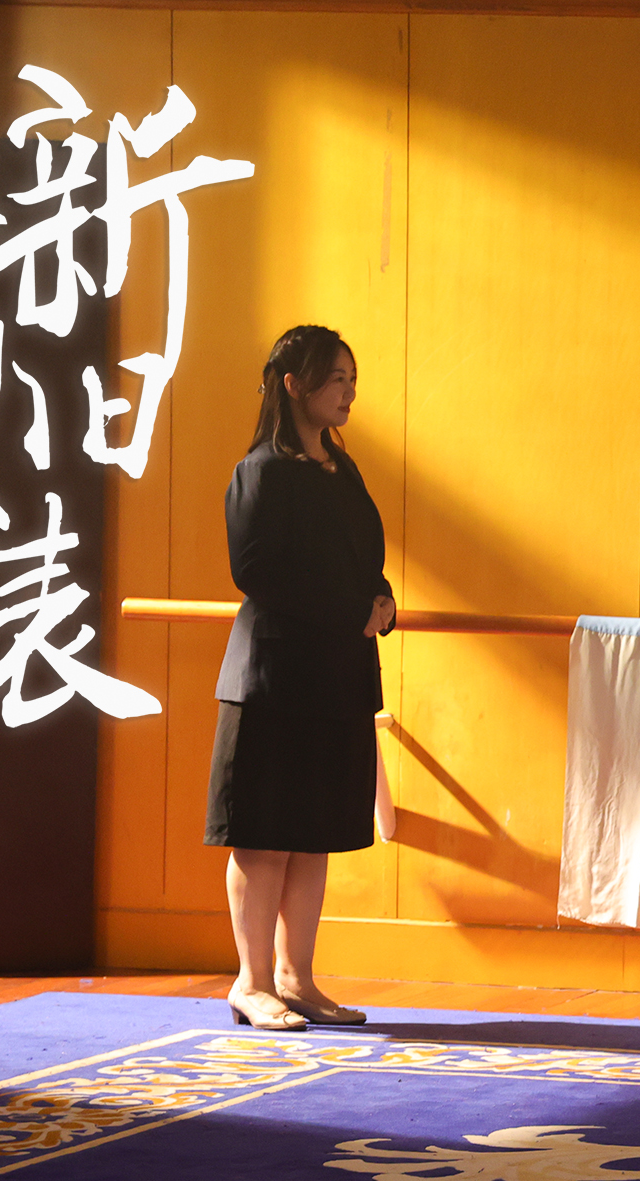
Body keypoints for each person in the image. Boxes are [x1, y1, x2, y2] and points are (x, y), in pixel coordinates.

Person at [206, 325, 396, 1030]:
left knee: (314, 832)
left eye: (352, 378)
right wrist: (351, 610)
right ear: (294, 385)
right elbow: (257, 572)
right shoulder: (260, 470)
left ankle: (297, 978)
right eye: (336, 378)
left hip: (335, 674)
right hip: (274, 677)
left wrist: (381, 599)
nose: (349, 392)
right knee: (265, 835)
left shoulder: (341, 468)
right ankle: (251, 981)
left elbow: (362, 556)